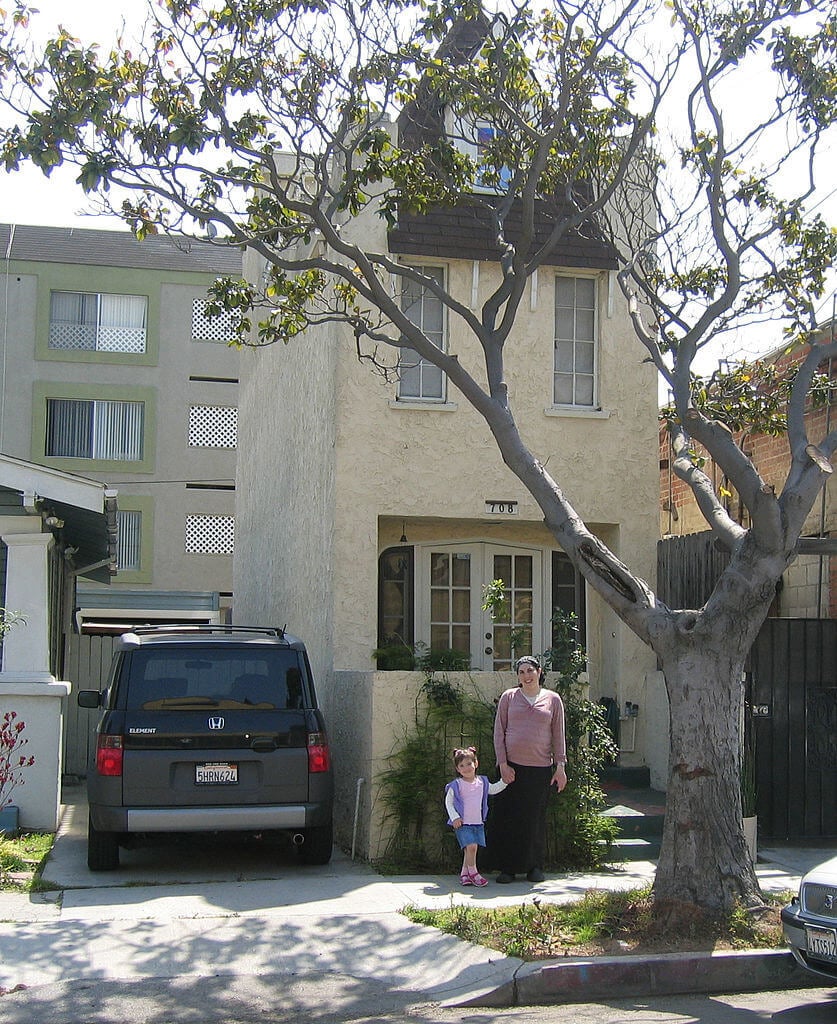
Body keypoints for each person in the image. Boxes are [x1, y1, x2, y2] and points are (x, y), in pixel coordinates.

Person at [486, 654, 567, 884]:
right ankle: (508, 869)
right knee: (508, 818)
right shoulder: (509, 697)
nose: (526, 676)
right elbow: (498, 732)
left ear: (539, 672)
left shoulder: (553, 699)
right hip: (511, 770)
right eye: (521, 672)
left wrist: (560, 767)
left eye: (530, 670)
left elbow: (558, 735)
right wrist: (502, 764)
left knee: (534, 819)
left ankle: (534, 867)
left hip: (540, 769)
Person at [444, 746, 508, 886]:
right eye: (461, 765)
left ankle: (464, 874)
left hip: (477, 823)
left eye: (469, 764)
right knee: (471, 847)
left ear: (476, 763)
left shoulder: (482, 782)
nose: (466, 768)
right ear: (457, 769)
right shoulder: (456, 785)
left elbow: (494, 789)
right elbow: (448, 802)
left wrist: (505, 781)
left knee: (470, 850)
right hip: (463, 824)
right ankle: (474, 873)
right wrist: (454, 817)